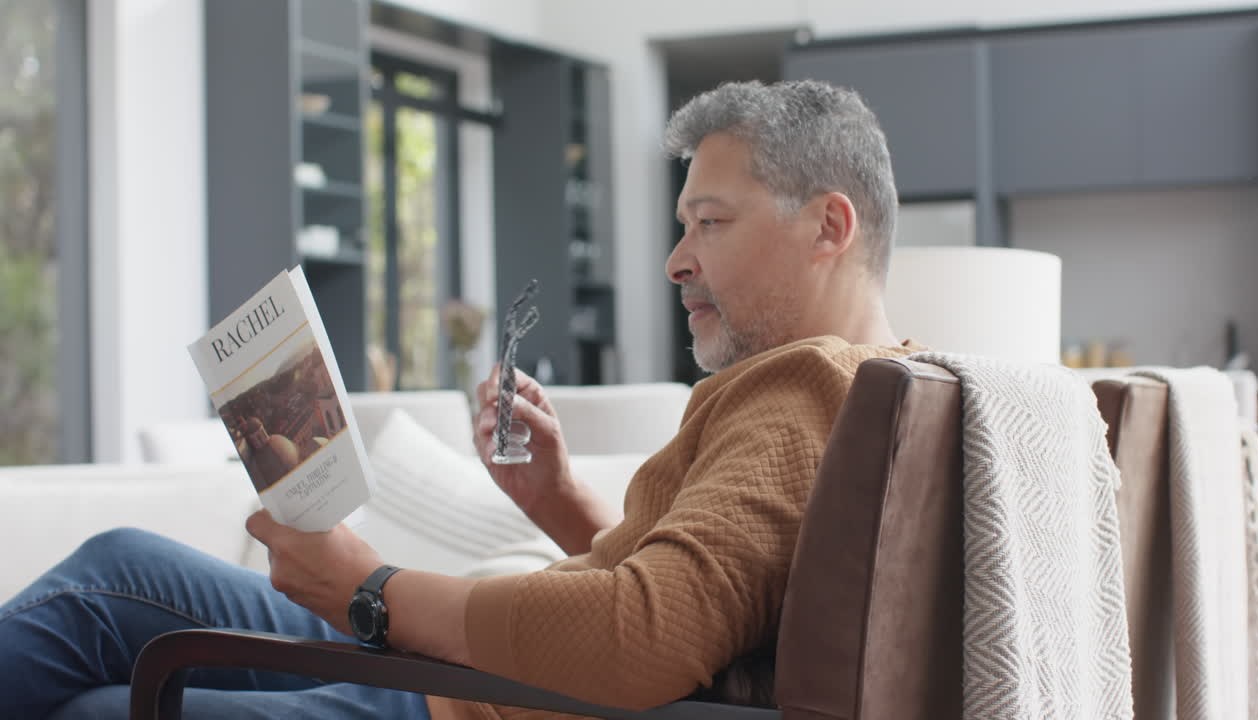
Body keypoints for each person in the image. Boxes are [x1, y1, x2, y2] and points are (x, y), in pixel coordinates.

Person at [0, 79, 916, 719]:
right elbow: (699, 602)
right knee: (115, 593)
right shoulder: (871, 391)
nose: (677, 261)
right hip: (494, 677)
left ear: (829, 226)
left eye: (709, 223)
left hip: (484, 696)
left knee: (102, 633)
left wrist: (367, 589)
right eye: (682, 228)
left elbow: (646, 633)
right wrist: (555, 500)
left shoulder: (806, 383)